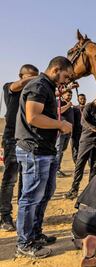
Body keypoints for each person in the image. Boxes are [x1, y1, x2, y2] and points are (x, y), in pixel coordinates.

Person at [15, 56, 74, 258]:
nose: (66, 80)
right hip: (34, 150)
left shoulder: (47, 86)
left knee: (45, 193)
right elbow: (33, 117)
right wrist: (60, 124)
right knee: (31, 198)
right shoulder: (39, 85)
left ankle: (35, 234)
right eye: (66, 76)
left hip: (45, 150)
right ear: (56, 69)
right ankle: (24, 242)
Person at [0, 64, 39, 231]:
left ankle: (23, 216)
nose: (32, 80)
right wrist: (38, 78)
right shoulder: (10, 87)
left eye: (35, 77)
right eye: (29, 76)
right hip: (11, 139)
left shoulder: (32, 93)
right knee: (10, 180)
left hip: (28, 140)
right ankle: (5, 216)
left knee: (26, 180)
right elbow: (18, 85)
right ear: (20, 76)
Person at [64, 97, 96, 200]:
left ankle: (92, 191)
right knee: (80, 165)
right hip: (86, 141)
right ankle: (74, 189)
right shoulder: (89, 107)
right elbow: (84, 122)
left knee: (94, 167)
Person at [55, 89, 75, 177]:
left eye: (71, 95)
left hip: (68, 132)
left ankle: (57, 168)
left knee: (62, 150)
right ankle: (55, 170)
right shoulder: (58, 102)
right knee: (58, 150)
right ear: (62, 95)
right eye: (68, 95)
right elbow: (58, 111)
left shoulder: (70, 106)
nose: (69, 97)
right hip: (60, 131)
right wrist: (68, 106)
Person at [71, 93, 86, 163]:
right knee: (75, 149)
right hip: (75, 132)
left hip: (85, 132)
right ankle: (76, 163)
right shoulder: (74, 109)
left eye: (84, 99)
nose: (83, 100)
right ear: (78, 100)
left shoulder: (88, 108)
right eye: (81, 99)